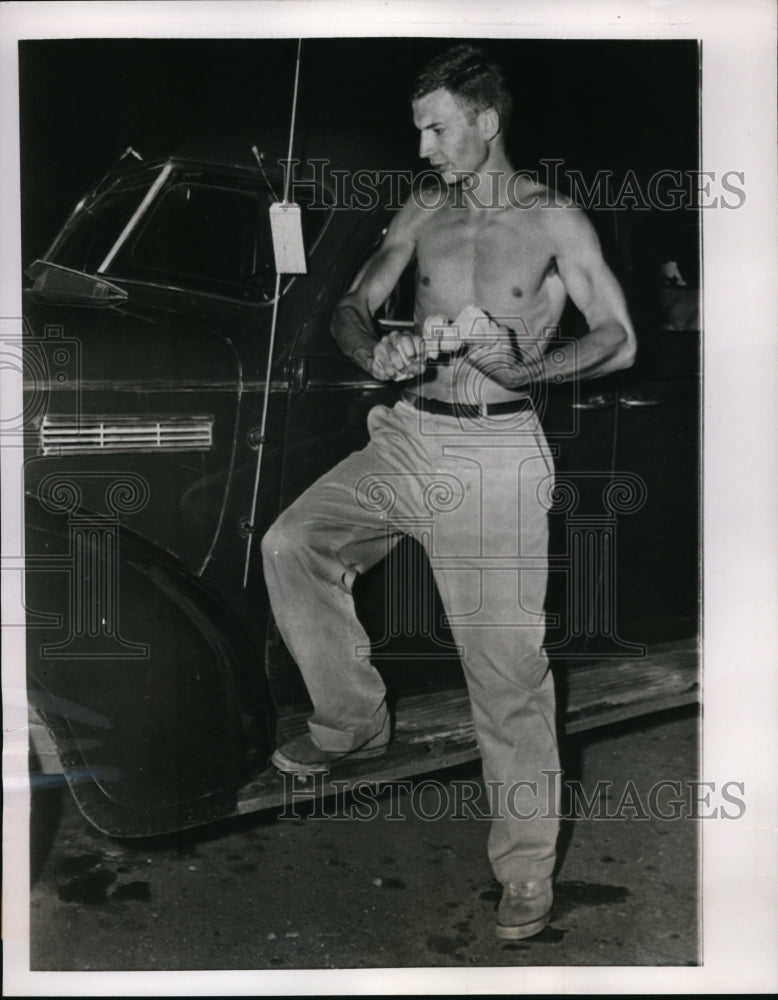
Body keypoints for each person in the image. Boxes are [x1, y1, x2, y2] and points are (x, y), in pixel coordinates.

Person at [262, 44, 636, 940]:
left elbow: (620, 337)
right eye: (420, 130)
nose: (425, 147)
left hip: (496, 458)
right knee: (292, 542)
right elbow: (354, 302)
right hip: (409, 433)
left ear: (486, 122)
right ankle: (352, 721)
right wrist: (372, 349)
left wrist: (533, 363)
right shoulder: (424, 207)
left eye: (437, 128)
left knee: (506, 679)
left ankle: (525, 873)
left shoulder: (552, 220)